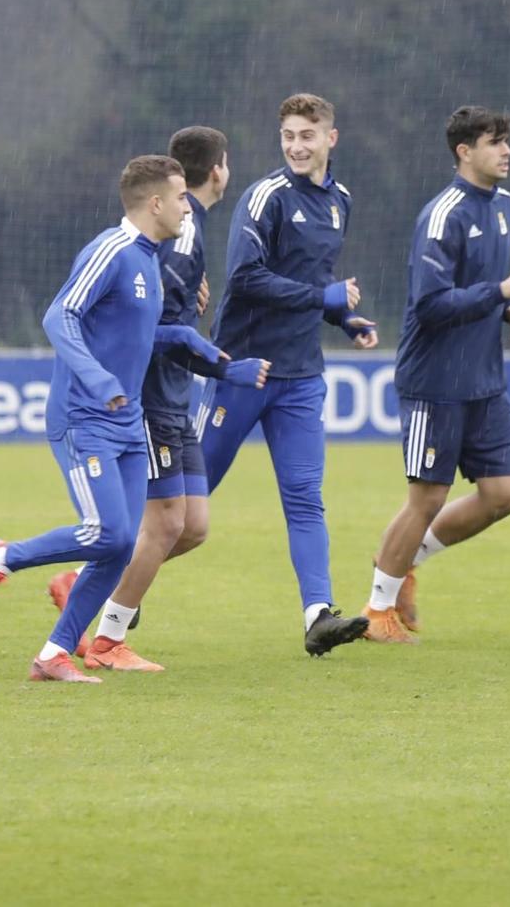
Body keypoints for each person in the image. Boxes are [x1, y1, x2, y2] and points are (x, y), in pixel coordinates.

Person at [0, 155, 265, 683]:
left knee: (121, 543)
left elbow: (143, 339)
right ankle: (1, 556)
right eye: (180, 197)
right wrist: (98, 380)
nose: (188, 205)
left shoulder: (149, 260)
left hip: (126, 421)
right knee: (105, 532)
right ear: (155, 203)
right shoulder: (113, 250)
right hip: (84, 417)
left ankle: (53, 655)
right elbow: (60, 315)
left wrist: (213, 361)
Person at [44, 127, 262, 672]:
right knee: (161, 526)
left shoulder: (189, 231)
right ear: (218, 171)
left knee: (192, 528)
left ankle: (91, 585)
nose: (184, 206)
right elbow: (142, 317)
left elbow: (164, 305)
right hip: (151, 400)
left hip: (176, 398)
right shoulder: (171, 236)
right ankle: (106, 634)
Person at [201, 93, 379, 656]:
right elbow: (245, 279)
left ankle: (318, 615)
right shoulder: (265, 198)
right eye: (288, 137)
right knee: (184, 505)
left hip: (302, 375)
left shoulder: (340, 201)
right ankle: (88, 584)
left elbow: (311, 280)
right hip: (243, 369)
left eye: (308, 135)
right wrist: (322, 297)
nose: (297, 146)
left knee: (305, 497)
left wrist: (341, 317)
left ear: (332, 137)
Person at [361, 107, 510, 644]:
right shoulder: (443, 216)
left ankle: (405, 559)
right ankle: (376, 613)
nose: (506, 151)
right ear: (464, 152)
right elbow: (432, 304)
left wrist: (505, 309)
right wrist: (501, 293)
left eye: (507, 141)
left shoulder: (503, 204)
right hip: (436, 381)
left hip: (483, 379)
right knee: (427, 499)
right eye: (494, 142)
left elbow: (478, 284)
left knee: (504, 494)